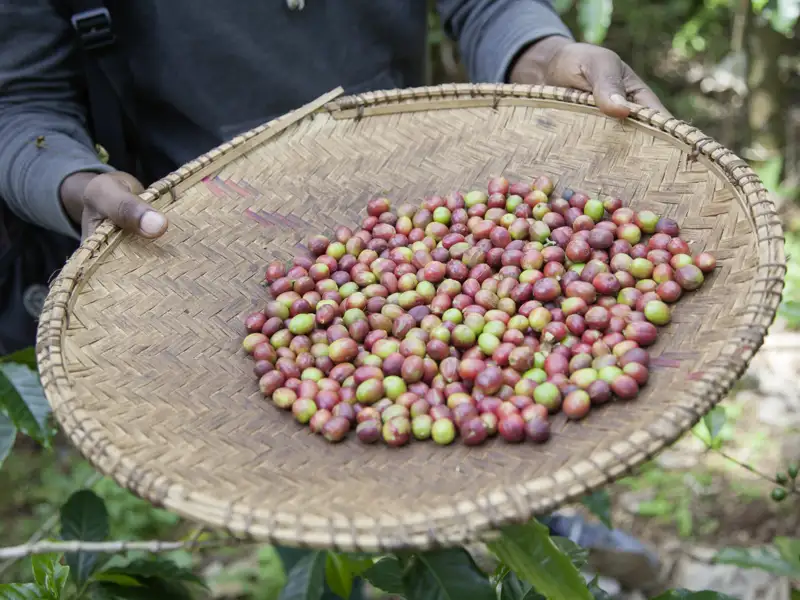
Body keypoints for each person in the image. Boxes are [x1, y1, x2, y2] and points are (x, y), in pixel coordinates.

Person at [0, 1, 669, 597]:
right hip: (209, 258)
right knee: (324, 515)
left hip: (401, 188)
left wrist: (542, 51)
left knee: (506, 453)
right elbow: (20, 103)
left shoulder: (428, 280)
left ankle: (549, 536)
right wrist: (72, 181)